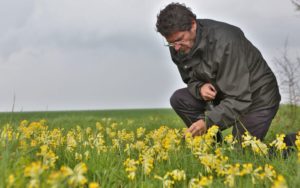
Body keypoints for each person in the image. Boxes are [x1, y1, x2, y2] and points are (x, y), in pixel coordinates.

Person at [155, 2, 282, 142]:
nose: (176, 48)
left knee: (243, 153)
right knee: (180, 99)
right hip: (224, 93)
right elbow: (190, 79)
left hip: (256, 97)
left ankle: (293, 141)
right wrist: (199, 87)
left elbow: (239, 98)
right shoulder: (177, 45)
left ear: (193, 24)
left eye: (179, 40)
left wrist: (207, 121)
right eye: (171, 43)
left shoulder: (227, 41)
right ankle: (212, 146)